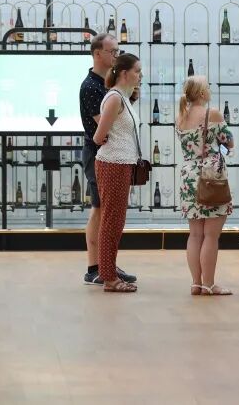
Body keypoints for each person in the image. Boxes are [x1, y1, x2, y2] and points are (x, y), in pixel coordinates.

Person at [79, 33, 136, 286]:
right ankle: (96, 267)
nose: (116, 55)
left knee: (109, 212)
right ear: (97, 53)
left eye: (118, 51)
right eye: (112, 51)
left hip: (113, 156)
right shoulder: (91, 87)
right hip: (100, 154)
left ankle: (107, 265)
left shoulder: (110, 86)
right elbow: (104, 130)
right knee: (101, 209)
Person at [176, 75, 234, 296]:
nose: (210, 90)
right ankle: (209, 284)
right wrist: (219, 146)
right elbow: (229, 143)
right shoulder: (213, 114)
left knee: (194, 235)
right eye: (208, 87)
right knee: (211, 235)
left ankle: (196, 283)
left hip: (189, 176)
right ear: (202, 93)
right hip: (211, 177)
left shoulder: (180, 116)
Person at [92, 53, 143, 293]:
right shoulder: (114, 98)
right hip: (112, 163)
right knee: (112, 221)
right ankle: (109, 277)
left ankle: (109, 271)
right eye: (137, 71)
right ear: (124, 73)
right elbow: (98, 136)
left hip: (121, 163)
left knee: (116, 221)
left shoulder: (123, 97)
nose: (140, 76)